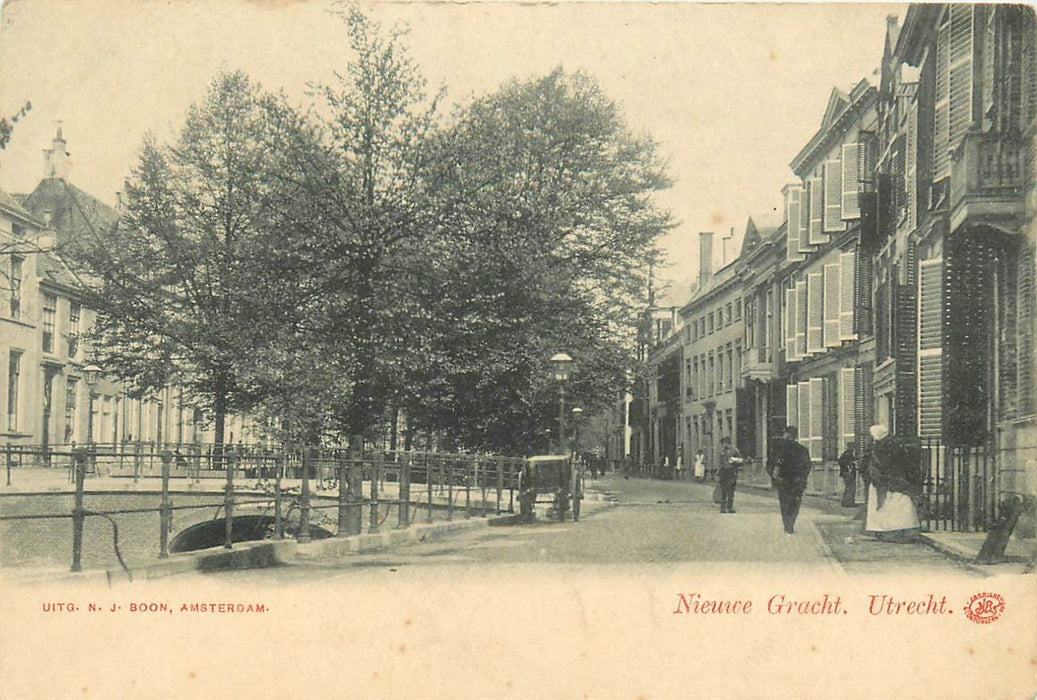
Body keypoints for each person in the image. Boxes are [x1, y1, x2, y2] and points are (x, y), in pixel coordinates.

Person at [863, 424, 921, 542]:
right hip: (891, 480)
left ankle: (890, 531)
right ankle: (896, 530)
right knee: (897, 504)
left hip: (888, 480)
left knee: (890, 505)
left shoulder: (885, 445)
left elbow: (884, 462)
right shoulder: (892, 443)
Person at [769, 426, 811, 534]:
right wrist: (802, 479)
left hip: (784, 481)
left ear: (788, 435)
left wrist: (773, 476)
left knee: (785, 504)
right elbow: (807, 467)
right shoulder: (802, 450)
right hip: (795, 482)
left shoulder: (779, 449)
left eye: (785, 433)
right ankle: (790, 524)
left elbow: (771, 464)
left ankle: (788, 524)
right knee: (794, 504)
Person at [716, 437, 743, 513]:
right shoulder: (722, 451)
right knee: (723, 490)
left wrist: (734, 460)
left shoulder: (735, 450)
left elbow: (741, 460)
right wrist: (719, 471)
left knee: (731, 490)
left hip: (732, 472)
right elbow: (720, 462)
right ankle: (723, 508)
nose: (723, 445)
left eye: (724, 443)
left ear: (727, 443)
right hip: (723, 472)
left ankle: (730, 507)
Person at [838, 442, 857, 508]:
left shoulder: (845, 454)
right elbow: (848, 464)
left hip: (846, 473)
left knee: (848, 488)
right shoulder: (848, 454)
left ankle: (846, 502)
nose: (853, 449)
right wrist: (848, 469)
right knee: (850, 488)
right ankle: (848, 503)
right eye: (852, 447)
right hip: (848, 473)